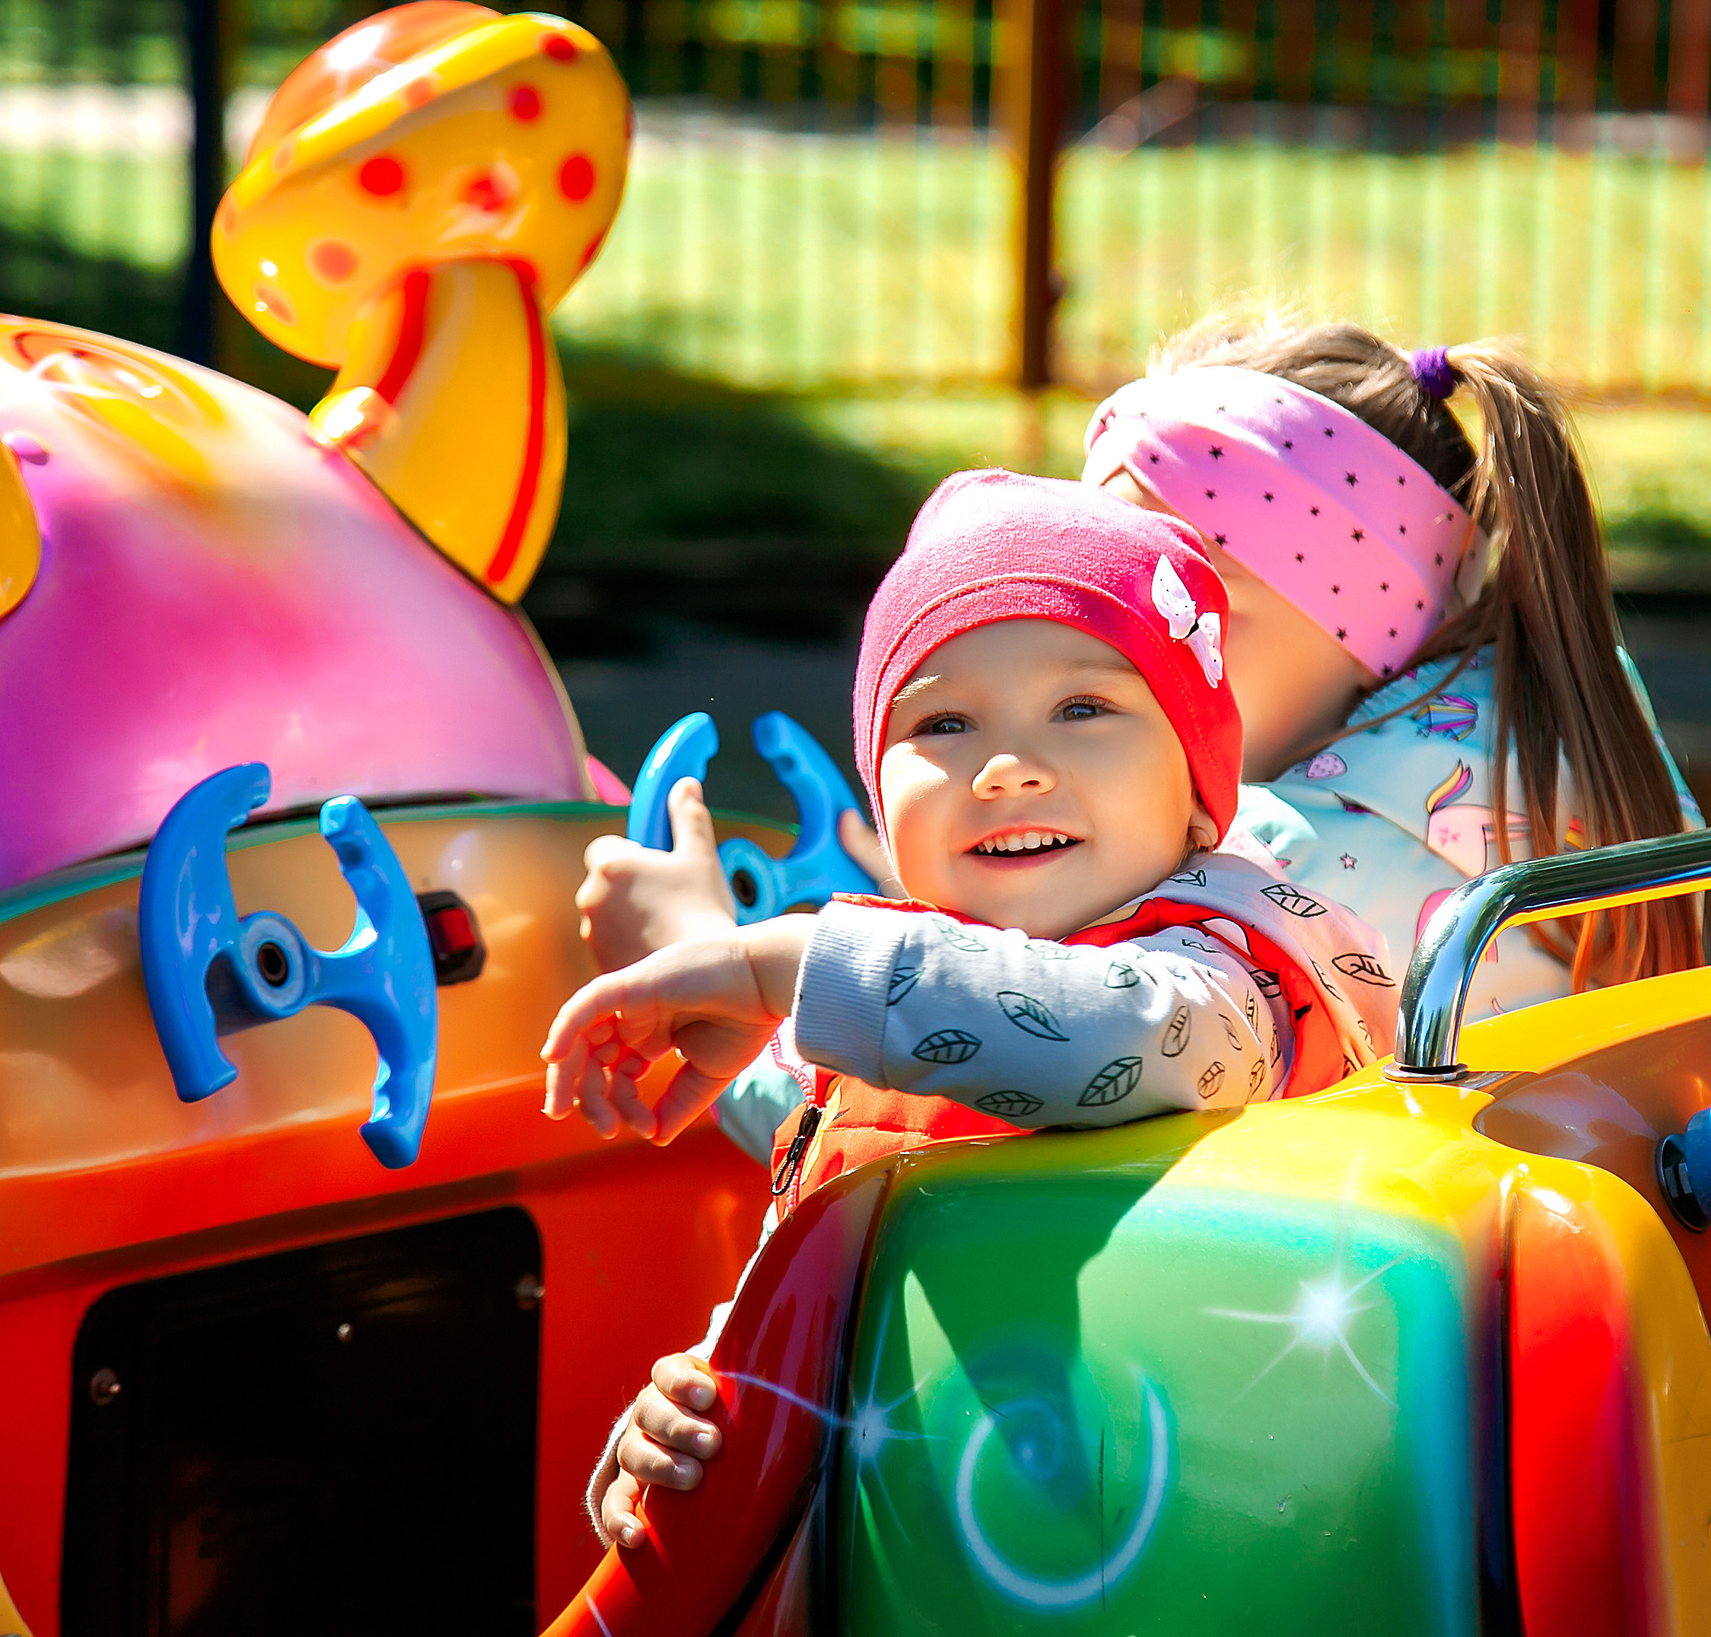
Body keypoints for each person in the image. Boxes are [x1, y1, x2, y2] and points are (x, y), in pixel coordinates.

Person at [542, 469, 1397, 1551]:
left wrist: (773, 964)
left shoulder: (1229, 979)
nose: (1006, 768)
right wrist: (680, 1421)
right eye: (942, 722)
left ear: (1197, 792)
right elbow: (829, 1225)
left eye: (1084, 708)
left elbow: (1108, 1040)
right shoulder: (894, 1004)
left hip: (1195, 1550)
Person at [1080, 311, 1704, 1015]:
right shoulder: (1580, 746)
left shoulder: (1259, 870)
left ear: (1367, 629)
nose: (1122, 655)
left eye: (1191, 615)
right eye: (1101, 607)